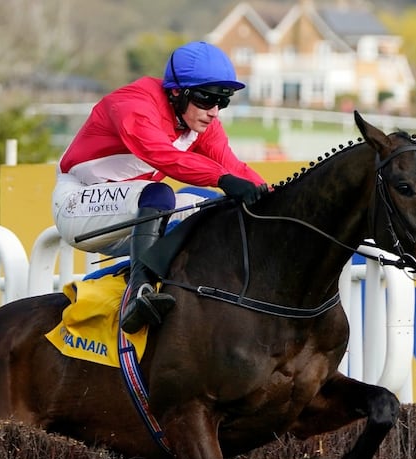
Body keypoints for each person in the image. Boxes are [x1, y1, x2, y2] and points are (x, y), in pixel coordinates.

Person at [52, 41, 267, 334]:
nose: (214, 112)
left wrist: (275, 196)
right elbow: (164, 157)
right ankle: (138, 295)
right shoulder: (134, 106)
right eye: (207, 99)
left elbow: (234, 167)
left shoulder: (199, 120)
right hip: (76, 205)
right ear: (177, 92)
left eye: (223, 101)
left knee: (213, 208)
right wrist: (223, 179)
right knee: (161, 194)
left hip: (133, 212)